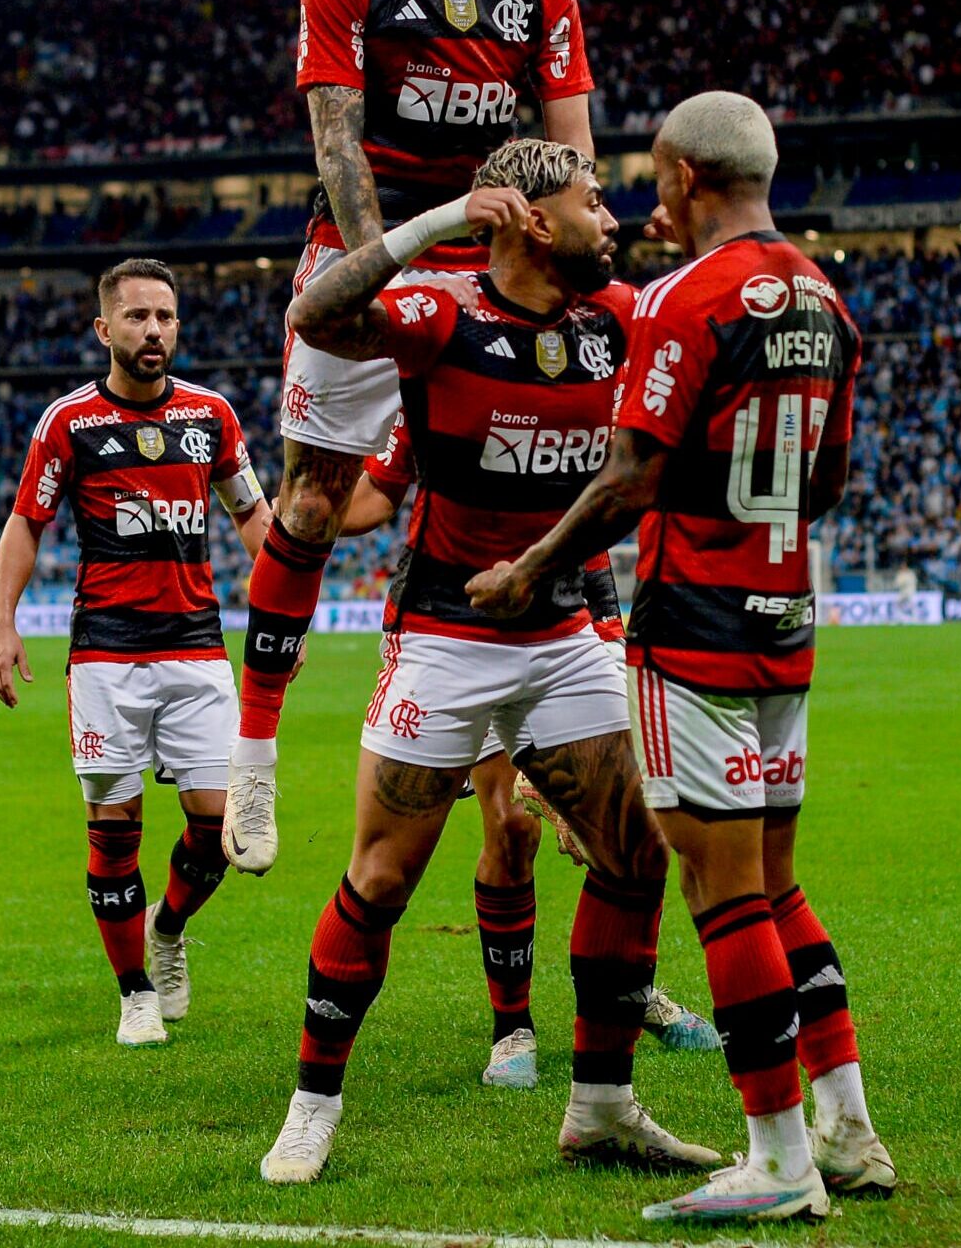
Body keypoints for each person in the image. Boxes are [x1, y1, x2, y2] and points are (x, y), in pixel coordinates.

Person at [467, 92, 890, 1224]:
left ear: (678, 178)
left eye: (647, 178)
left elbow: (628, 477)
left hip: (695, 624)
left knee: (721, 888)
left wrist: (528, 570)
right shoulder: (825, 299)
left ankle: (778, 1156)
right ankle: (848, 1128)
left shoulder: (680, 299)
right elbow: (832, 483)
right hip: (786, 619)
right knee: (777, 880)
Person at [257, 140, 710, 1185]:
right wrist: (433, 223)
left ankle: (600, 1106)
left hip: (561, 640)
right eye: (593, 205)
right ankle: (312, 1103)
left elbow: (709, 328)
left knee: (637, 854)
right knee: (380, 878)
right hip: (445, 640)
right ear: (531, 222)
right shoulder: (443, 313)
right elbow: (314, 316)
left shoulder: (618, 319)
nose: (613, 220)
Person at [226, 0, 594, 875]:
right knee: (310, 501)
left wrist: (554, 265)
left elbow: (572, 158)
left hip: (496, 270)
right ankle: (252, 757)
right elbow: (339, 156)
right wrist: (406, 254)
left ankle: (575, 752)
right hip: (372, 258)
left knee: (548, 485)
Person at [342, 419, 719, 1084]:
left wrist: (605, 634)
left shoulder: (582, 366)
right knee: (511, 827)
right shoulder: (453, 360)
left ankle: (634, 993)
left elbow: (597, 515)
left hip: (564, 609)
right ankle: (512, 1026)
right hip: (460, 620)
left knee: (627, 830)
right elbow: (382, 491)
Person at [0, 258, 273, 1047]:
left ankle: (167, 930)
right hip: (107, 657)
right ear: (104, 329)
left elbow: (254, 516)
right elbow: (26, 523)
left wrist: (283, 609)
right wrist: (2, 624)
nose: (154, 330)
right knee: (113, 830)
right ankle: (135, 991)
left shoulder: (213, 416)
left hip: (197, 651)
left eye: (166, 317)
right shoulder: (68, 423)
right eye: (139, 317)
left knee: (220, 834)